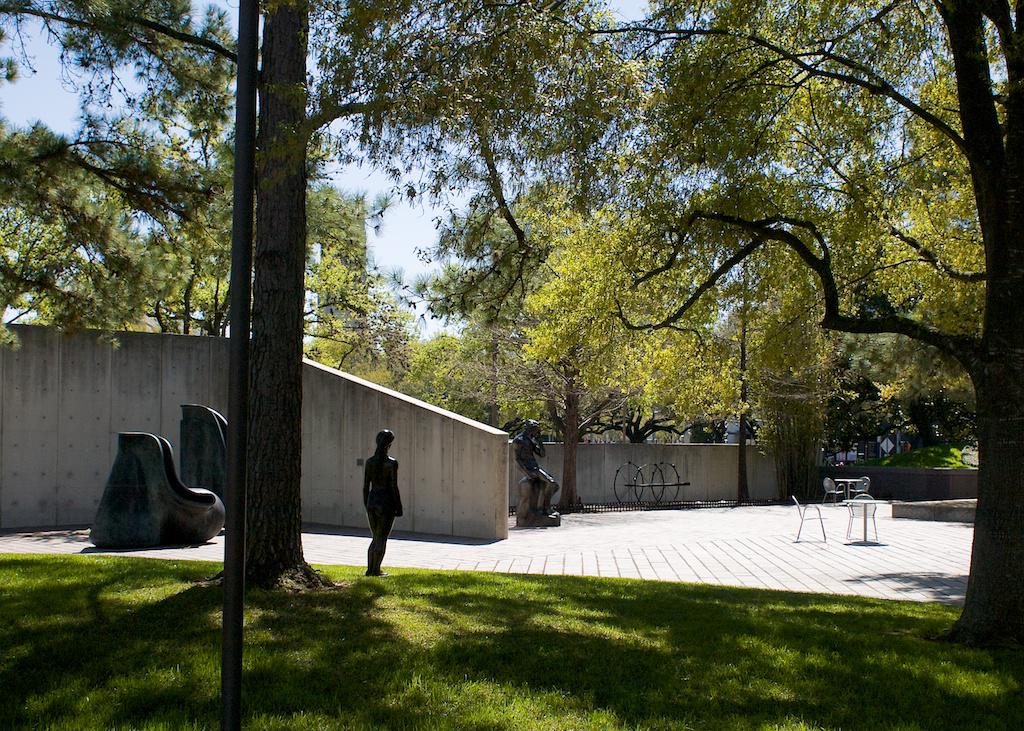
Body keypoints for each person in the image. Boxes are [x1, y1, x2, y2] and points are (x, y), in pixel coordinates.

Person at [363, 429, 402, 576]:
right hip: (386, 503)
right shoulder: (391, 463)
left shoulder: (370, 462)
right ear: (389, 444)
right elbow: (393, 486)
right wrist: (399, 506)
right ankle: (376, 570)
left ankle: (370, 569)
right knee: (381, 538)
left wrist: (367, 504)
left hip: (372, 501)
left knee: (375, 537)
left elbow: (366, 487)